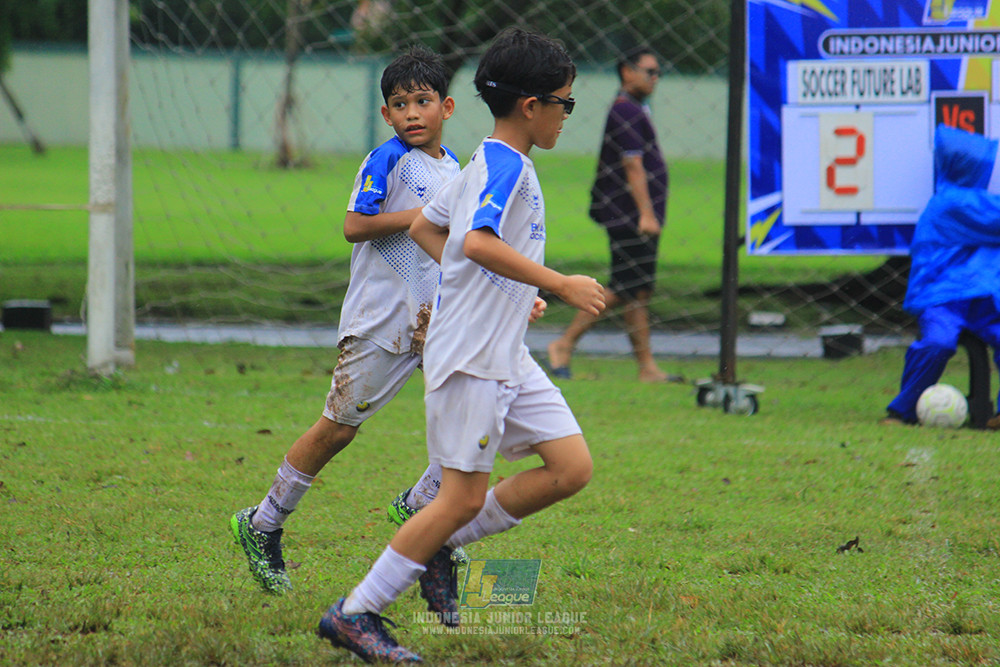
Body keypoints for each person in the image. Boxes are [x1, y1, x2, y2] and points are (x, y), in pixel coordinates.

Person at [316, 27, 606, 663]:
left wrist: (509, 292)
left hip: (505, 351)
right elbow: (474, 241)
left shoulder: (481, 160)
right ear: (531, 106)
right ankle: (356, 612)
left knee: (570, 468)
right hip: (472, 357)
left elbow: (429, 227)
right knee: (461, 498)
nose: (566, 114)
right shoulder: (503, 165)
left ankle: (438, 546)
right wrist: (557, 283)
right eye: (564, 102)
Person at [230, 45, 466, 594]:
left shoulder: (453, 167)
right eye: (400, 104)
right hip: (381, 321)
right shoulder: (386, 160)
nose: (412, 113)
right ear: (386, 114)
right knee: (338, 429)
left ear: (447, 106)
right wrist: (424, 216)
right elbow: (355, 226)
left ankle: (421, 506)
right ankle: (262, 522)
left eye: (423, 101)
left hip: (434, 320)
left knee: (471, 408)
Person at [546, 46, 679, 383]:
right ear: (627, 71)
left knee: (638, 291)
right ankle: (564, 343)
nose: (655, 78)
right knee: (625, 287)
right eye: (649, 71)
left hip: (631, 215)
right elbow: (632, 164)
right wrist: (647, 215)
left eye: (658, 72)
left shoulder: (634, 108)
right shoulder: (625, 111)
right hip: (629, 216)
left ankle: (646, 367)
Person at [883, 124, 1000, 427]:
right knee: (938, 342)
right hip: (943, 299)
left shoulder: (965, 201)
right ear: (971, 167)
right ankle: (903, 411)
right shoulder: (951, 203)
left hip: (983, 299)